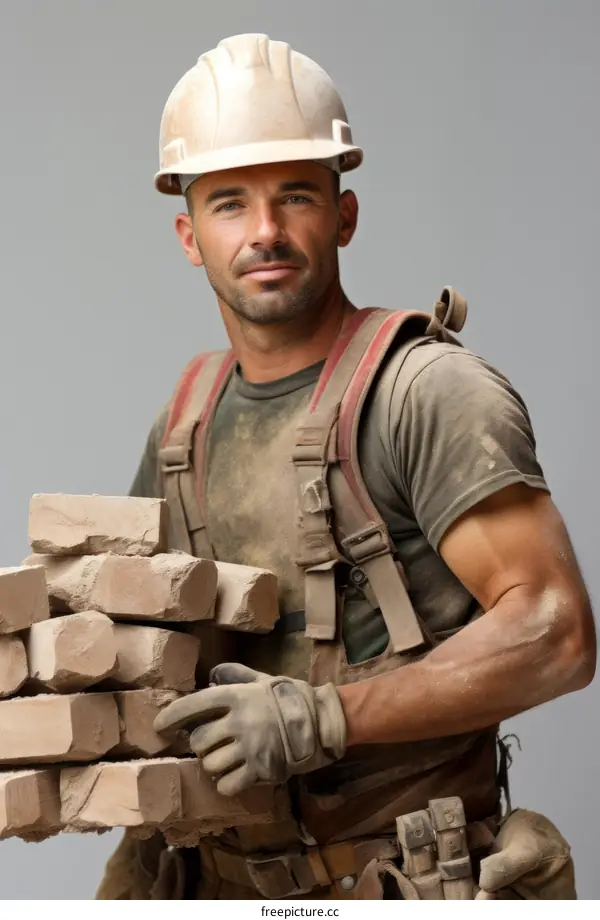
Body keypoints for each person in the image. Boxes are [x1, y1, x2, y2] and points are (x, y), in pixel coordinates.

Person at [96, 33, 595, 899]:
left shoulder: (424, 393)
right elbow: (134, 655)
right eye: (228, 203)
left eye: (295, 195)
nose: (265, 231)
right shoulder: (184, 424)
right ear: (188, 235)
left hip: (390, 886)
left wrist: (323, 716)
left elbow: (556, 631)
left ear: (345, 214)